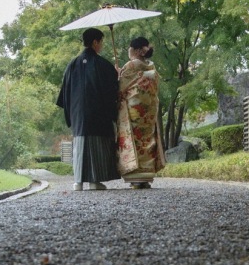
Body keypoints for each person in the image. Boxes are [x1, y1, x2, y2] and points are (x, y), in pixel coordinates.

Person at [56, 27, 119, 191]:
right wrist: (117, 75)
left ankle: (78, 182)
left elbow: (65, 93)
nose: (102, 45)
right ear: (95, 42)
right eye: (101, 42)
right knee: (97, 146)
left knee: (80, 146)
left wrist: (72, 113)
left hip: (78, 114)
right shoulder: (102, 64)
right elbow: (112, 90)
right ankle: (94, 181)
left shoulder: (72, 64)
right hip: (98, 114)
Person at [117, 36, 166, 188]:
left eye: (130, 48)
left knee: (135, 140)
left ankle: (136, 177)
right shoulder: (151, 67)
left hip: (134, 111)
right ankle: (146, 177)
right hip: (149, 110)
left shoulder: (131, 65)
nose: (129, 51)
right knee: (147, 141)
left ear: (137, 51)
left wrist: (118, 75)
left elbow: (120, 88)